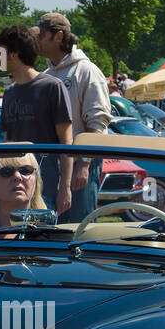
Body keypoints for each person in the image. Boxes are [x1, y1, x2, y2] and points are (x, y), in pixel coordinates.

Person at [34, 12, 111, 221]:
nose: (36, 41)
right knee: (49, 232)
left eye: (41, 35)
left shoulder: (87, 71)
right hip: (50, 168)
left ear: (58, 36)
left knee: (78, 231)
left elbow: (98, 122)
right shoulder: (47, 75)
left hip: (80, 165)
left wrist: (84, 165)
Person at [0, 24, 73, 215]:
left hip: (44, 188)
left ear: (13, 54)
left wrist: (65, 186)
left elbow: (67, 142)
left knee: (42, 243)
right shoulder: (9, 93)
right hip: (13, 190)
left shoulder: (52, 87)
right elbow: (7, 142)